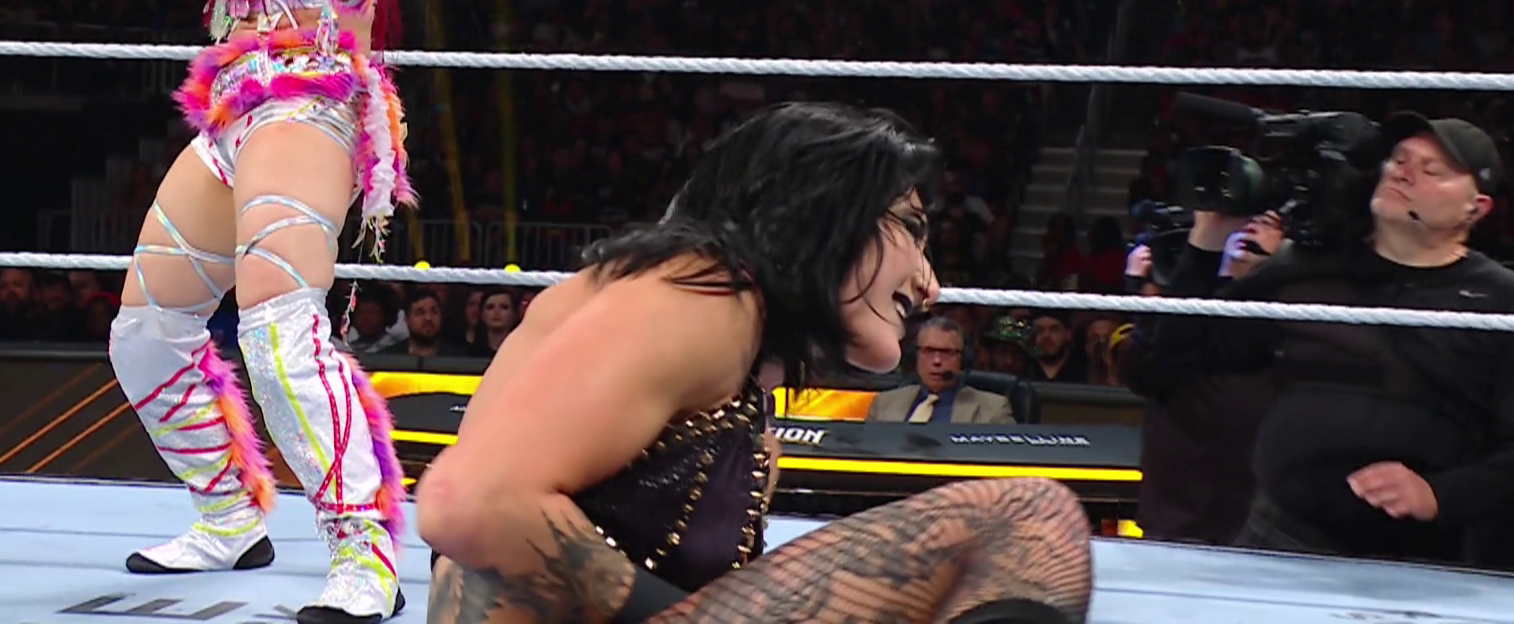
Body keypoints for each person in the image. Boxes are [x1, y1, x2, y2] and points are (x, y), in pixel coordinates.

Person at [416, 103, 1093, 624]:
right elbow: (467, 502)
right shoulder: (698, 299)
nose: (929, 283)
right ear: (828, 212)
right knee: (1029, 516)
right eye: (911, 231)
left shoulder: (725, 336)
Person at [109, 0, 413, 624]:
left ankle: (365, 555)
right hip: (236, 111)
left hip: (309, 104)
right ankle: (230, 514)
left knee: (279, 332)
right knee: (146, 331)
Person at [1150, 113, 1514, 566]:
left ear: (1476, 208)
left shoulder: (1498, 300)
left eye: (1432, 169)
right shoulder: (1307, 268)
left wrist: (1440, 494)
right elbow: (1179, 352)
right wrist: (1205, 243)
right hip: (1280, 536)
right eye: (1399, 159)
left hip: (1419, 557)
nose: (1403, 172)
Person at [1119, 210, 1282, 545]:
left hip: (1258, 521)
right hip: (1178, 518)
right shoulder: (1183, 310)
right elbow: (1142, 372)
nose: (1249, 227)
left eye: (1265, 222)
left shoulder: (1293, 316)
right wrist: (1144, 294)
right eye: (1243, 220)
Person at [867, 317, 1016, 425]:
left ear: (963, 359)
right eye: (928, 351)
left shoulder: (994, 409)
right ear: (915, 356)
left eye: (947, 352)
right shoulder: (884, 403)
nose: (937, 361)